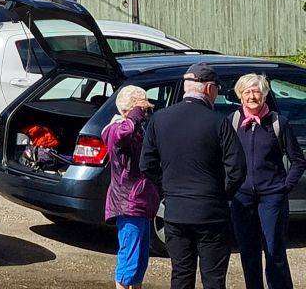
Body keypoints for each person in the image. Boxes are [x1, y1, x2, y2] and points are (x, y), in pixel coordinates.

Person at [141, 63, 246, 289]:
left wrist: (168, 189)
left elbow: (146, 164)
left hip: (175, 211)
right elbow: (237, 168)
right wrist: (221, 194)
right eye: (217, 88)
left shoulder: (159, 119)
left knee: (181, 274)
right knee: (214, 278)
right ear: (209, 88)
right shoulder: (219, 121)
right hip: (211, 213)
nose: (217, 93)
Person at [228, 72, 305, 289]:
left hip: (272, 197)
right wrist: (230, 187)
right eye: (247, 92)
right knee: (248, 251)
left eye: (257, 91)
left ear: (264, 94)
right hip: (242, 198)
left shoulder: (278, 122)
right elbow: (223, 159)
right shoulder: (232, 122)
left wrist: (284, 187)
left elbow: (298, 161)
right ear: (240, 96)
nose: (252, 96)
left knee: (274, 251)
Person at [104, 84, 161, 289]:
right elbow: (122, 136)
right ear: (129, 110)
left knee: (140, 260)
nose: (145, 114)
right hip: (128, 202)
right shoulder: (115, 130)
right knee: (129, 257)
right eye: (142, 110)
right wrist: (135, 113)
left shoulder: (137, 130)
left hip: (141, 201)